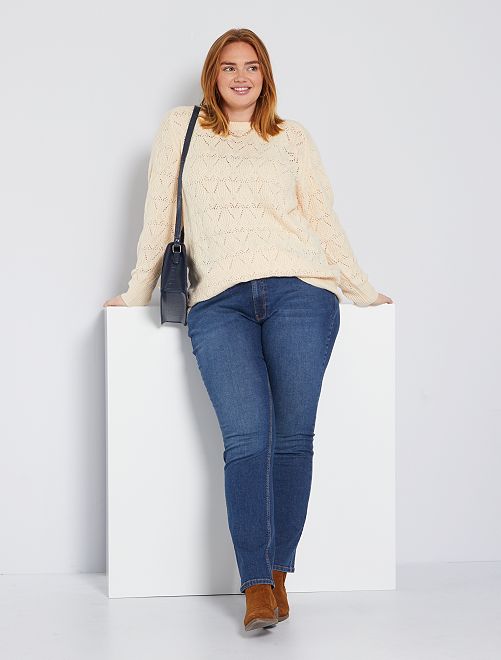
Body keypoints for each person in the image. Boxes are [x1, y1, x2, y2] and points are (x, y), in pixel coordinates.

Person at [104, 28, 393, 632]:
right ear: (212, 74)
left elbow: (322, 218)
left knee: (293, 439)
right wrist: (135, 293)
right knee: (246, 438)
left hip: (301, 292)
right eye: (229, 66)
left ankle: (279, 574)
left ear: (266, 76)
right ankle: (255, 584)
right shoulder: (182, 128)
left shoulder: (292, 137)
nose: (241, 76)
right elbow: (159, 215)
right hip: (220, 301)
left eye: (252, 66)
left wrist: (362, 288)